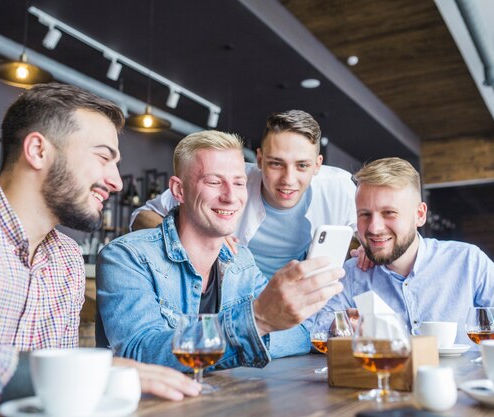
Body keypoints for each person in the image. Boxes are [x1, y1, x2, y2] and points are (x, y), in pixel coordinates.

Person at [0, 83, 199, 415]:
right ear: (38, 151)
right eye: (103, 157)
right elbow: (55, 380)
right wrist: (37, 373)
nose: (116, 181)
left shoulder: (66, 260)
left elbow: (59, 403)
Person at [96, 130, 344, 371]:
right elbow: (139, 352)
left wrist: (248, 333)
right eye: (214, 182)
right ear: (179, 191)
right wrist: (256, 322)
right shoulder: (125, 257)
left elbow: (297, 337)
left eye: (239, 183)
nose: (230, 196)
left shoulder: (241, 259)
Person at [322, 157, 494, 344]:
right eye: (365, 214)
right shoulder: (352, 273)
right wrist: (338, 330)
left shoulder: (468, 262)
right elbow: (318, 333)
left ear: (420, 215)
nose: (374, 227)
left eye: (389, 213)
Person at [131, 110, 360, 279]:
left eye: (302, 166)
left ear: (318, 165)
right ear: (259, 159)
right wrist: (200, 238)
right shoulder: (233, 179)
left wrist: (363, 248)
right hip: (236, 303)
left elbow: (368, 237)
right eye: (276, 164)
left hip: (304, 307)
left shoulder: (339, 187)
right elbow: (141, 217)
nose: (288, 179)